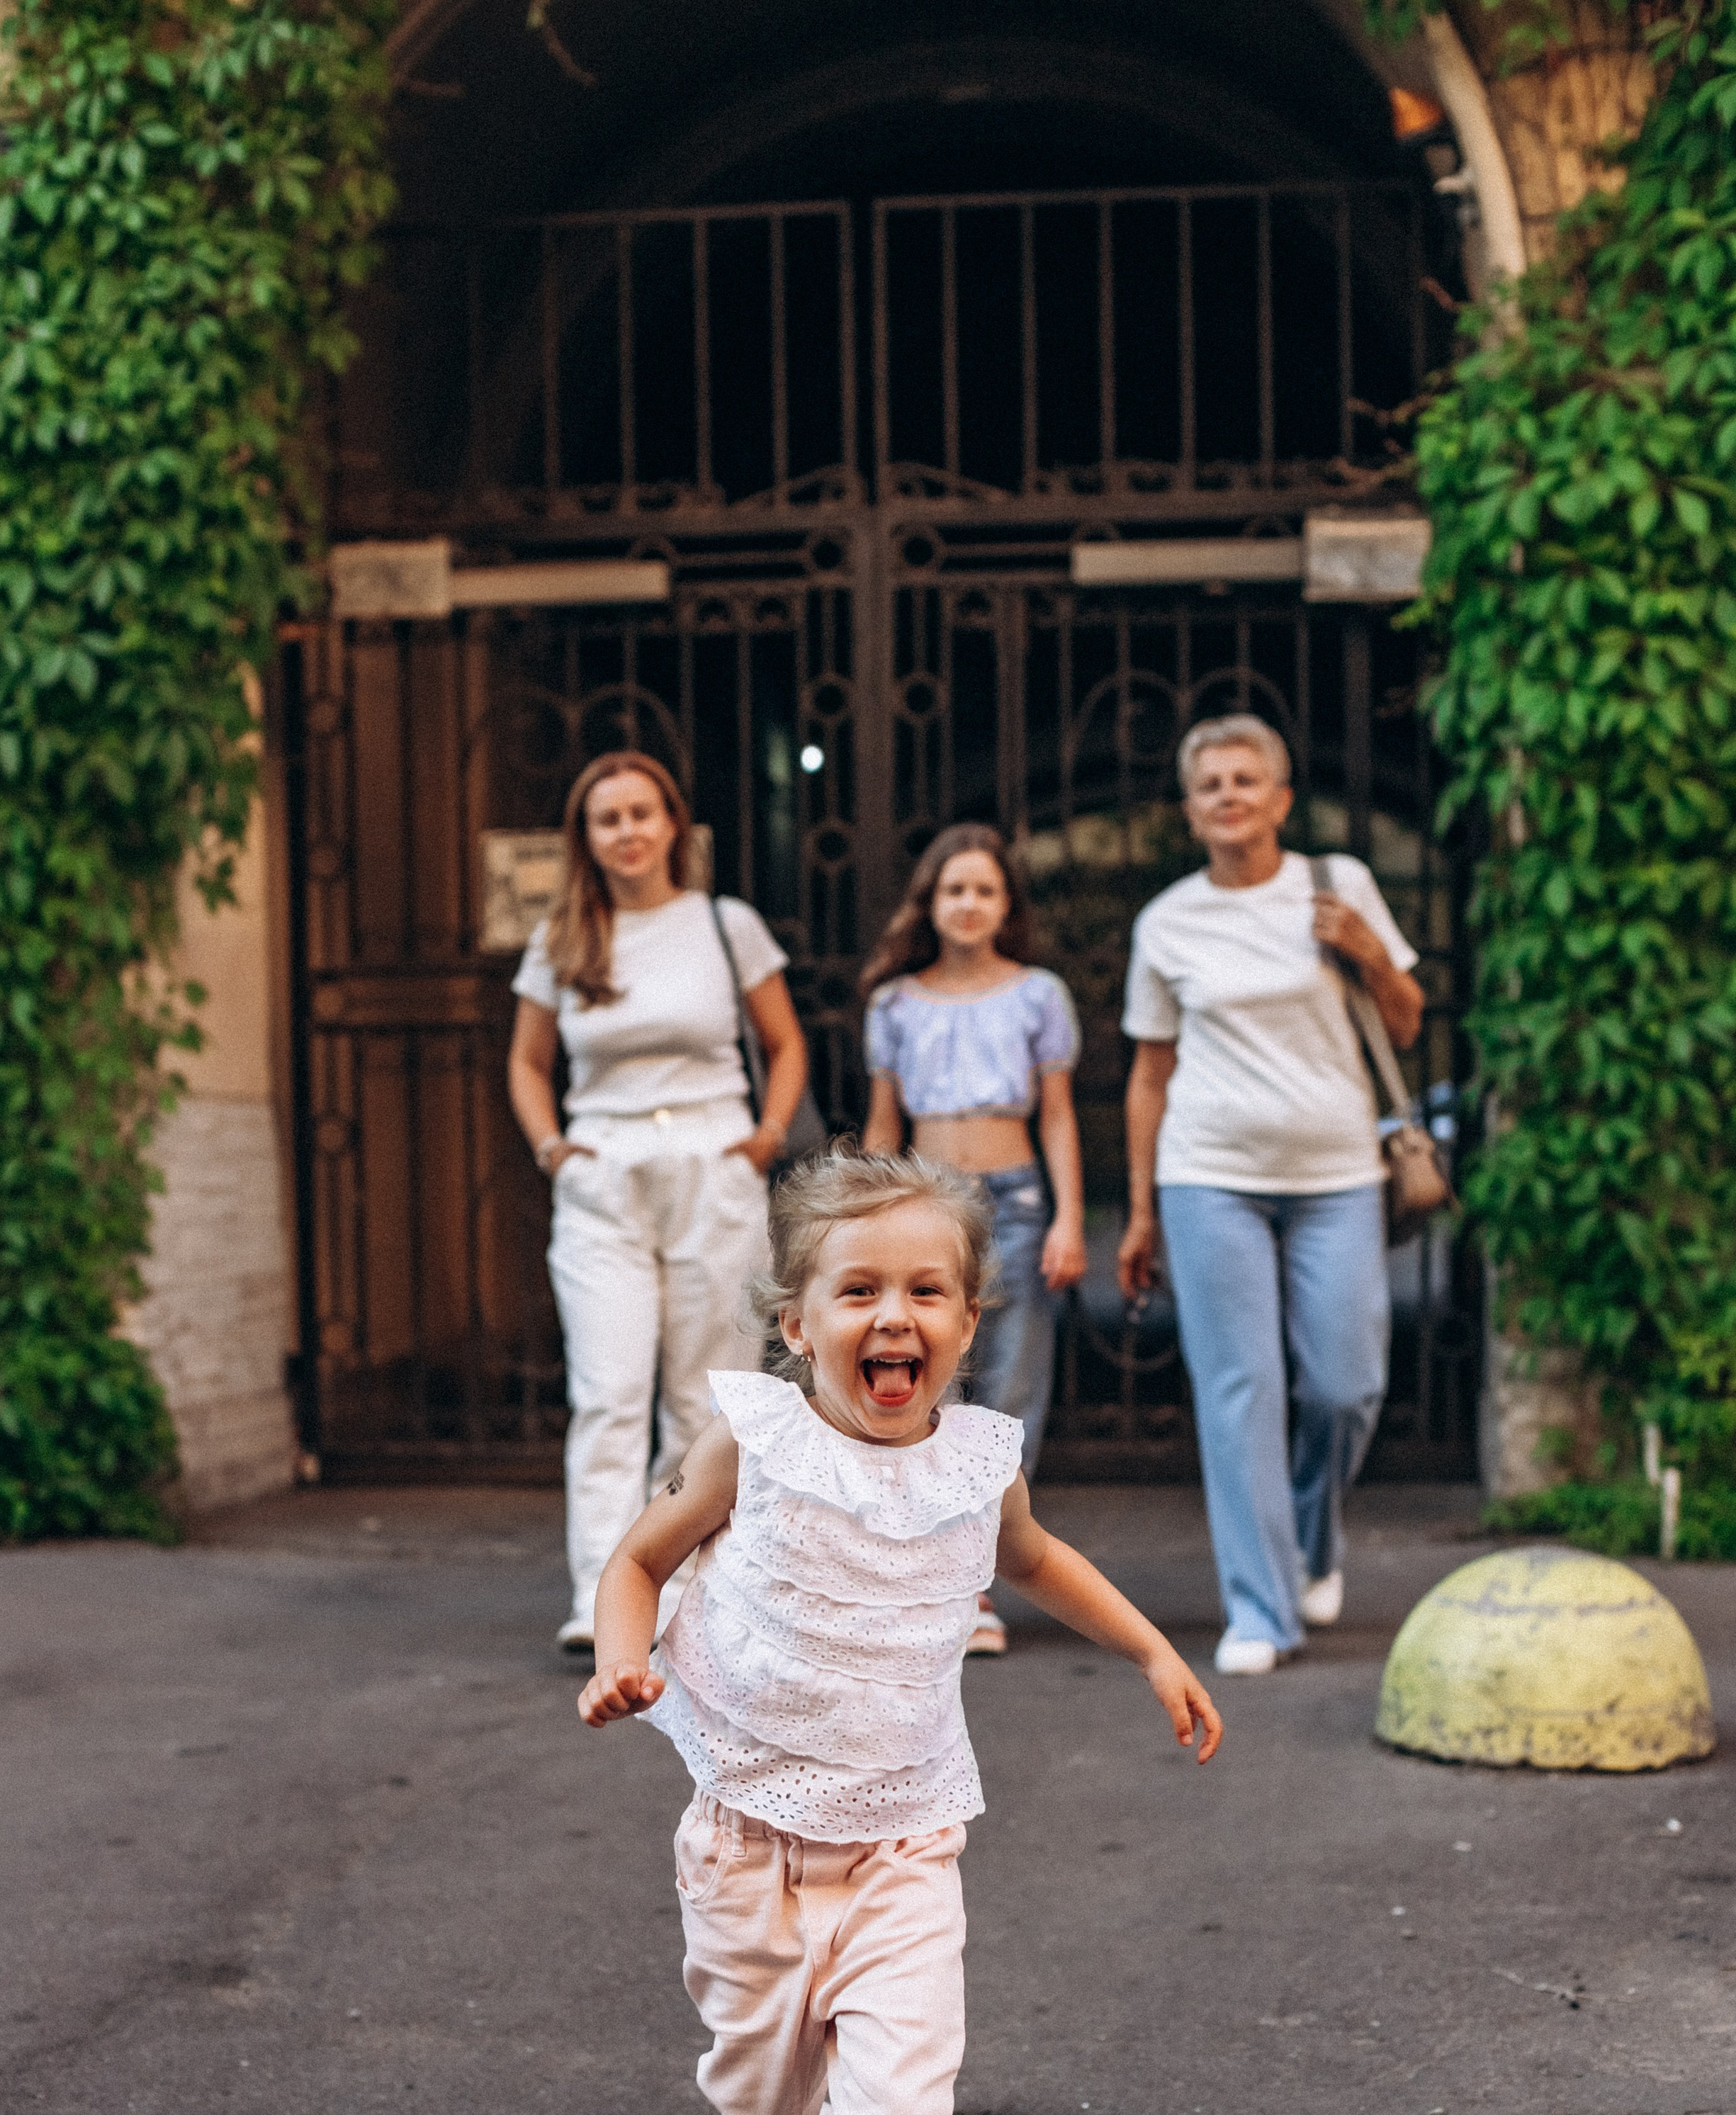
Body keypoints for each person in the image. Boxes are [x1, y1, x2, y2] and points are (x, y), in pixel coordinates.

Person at [577, 1146, 1222, 2115]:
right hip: (745, 1838)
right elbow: (636, 1559)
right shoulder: (749, 1440)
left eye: (924, 1290)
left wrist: (1153, 1652)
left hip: (902, 1847)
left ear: (966, 1324)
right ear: (794, 1318)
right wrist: (621, 1663)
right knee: (757, 2090)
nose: (892, 1317)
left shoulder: (978, 1463)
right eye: (856, 1288)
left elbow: (1036, 1562)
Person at [1117, 714, 1424, 1677]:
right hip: (1209, 1174)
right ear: (1191, 810)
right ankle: (1260, 1606)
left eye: (1247, 780)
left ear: (1282, 799)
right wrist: (1139, 1208)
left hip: (1337, 1173)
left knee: (1346, 1382)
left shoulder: (1339, 886)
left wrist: (1371, 953)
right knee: (1238, 1392)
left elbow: (1408, 1029)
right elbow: (1149, 1076)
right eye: (1211, 784)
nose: (1230, 796)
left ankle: (1311, 1538)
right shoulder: (1167, 921)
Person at [507, 749, 809, 1653]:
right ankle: (600, 1594)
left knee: (705, 1393)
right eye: (608, 819)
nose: (628, 832)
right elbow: (526, 1063)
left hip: (711, 1159)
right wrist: (553, 1150)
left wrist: (765, 1134)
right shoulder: (560, 939)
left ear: (673, 823)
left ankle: (685, 1584)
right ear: (587, 838)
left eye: (643, 814)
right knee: (607, 1390)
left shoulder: (725, 924)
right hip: (604, 1169)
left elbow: (784, 1043)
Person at [859, 824, 1088, 1656]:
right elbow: (883, 1124)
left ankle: (978, 1588)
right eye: (953, 889)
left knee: (1008, 1395)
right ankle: (926, 1586)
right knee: (927, 1389)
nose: (968, 904)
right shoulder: (894, 1003)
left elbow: (1057, 1114)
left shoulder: (1038, 995)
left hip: (1017, 1203)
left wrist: (1067, 1216)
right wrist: (870, 1223)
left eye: (984, 890)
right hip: (925, 1208)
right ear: (931, 902)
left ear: (1005, 906)